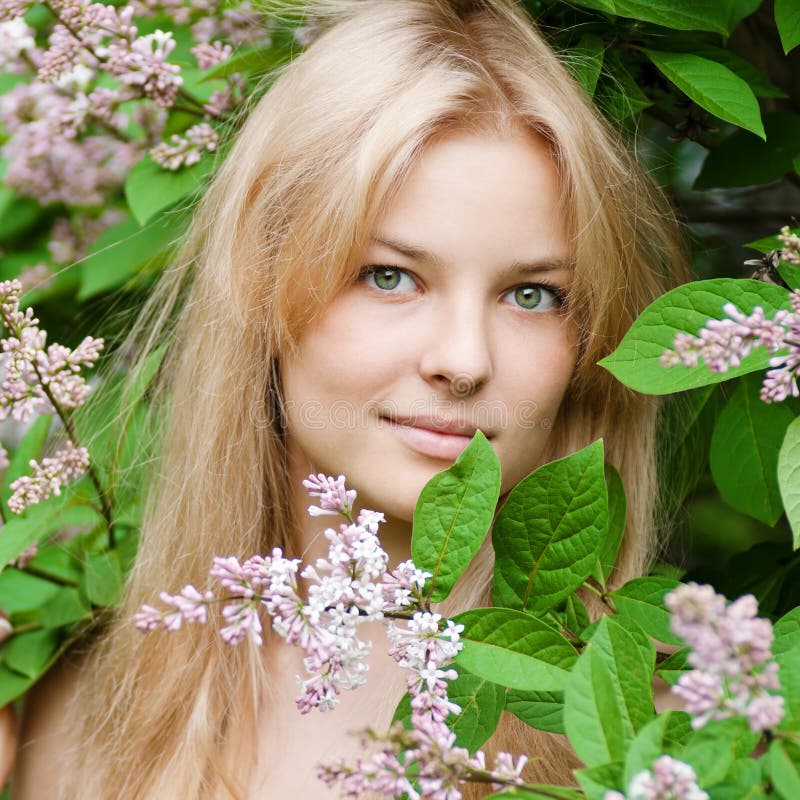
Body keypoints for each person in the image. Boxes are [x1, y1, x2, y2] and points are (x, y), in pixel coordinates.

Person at [9, 0, 688, 797]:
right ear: (259, 286)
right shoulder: (75, 723)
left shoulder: (669, 746)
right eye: (390, 276)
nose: (463, 361)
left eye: (533, 295)